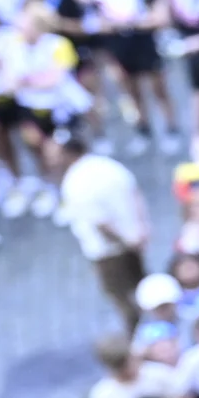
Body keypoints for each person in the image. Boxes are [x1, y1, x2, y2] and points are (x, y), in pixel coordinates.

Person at [59, 135, 153, 328]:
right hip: (133, 240)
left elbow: (101, 223)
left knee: (123, 299)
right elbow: (135, 192)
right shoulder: (109, 165)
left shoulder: (74, 181)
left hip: (108, 252)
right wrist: (142, 228)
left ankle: (139, 337)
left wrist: (126, 241)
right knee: (143, 289)